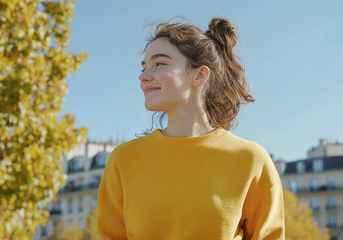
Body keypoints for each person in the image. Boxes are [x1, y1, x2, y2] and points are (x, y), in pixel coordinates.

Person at [97, 17, 285, 240]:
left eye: (159, 64)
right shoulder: (123, 160)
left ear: (200, 75)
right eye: (144, 66)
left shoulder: (251, 159)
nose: (144, 76)